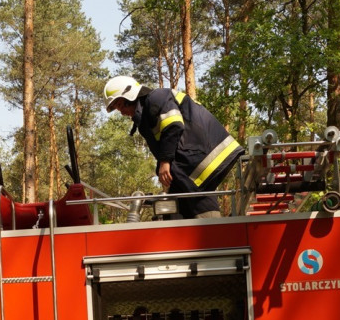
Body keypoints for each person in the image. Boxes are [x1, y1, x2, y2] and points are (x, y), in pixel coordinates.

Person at [103, 75, 245, 219]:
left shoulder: (156, 97)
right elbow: (164, 145)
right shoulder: (145, 116)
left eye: (120, 105)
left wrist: (165, 162)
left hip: (204, 155)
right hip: (192, 159)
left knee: (196, 194)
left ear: (130, 96)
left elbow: (173, 126)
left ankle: (212, 235)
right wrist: (161, 166)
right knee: (175, 203)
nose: (121, 112)